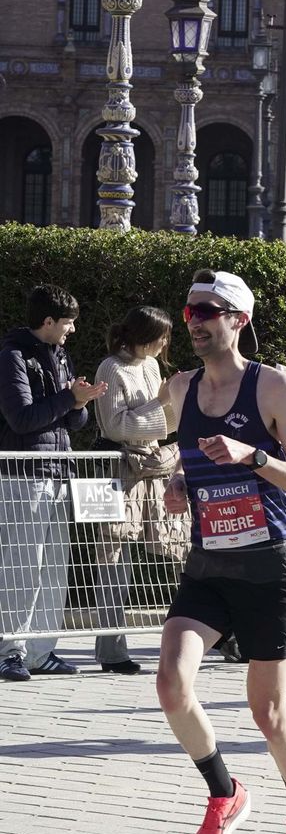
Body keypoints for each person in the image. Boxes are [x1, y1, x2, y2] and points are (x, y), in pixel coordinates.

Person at [153, 269, 286, 834]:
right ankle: (224, 795)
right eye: (190, 311)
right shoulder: (180, 388)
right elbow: (192, 466)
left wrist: (256, 456)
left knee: (268, 713)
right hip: (207, 566)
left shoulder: (273, 386)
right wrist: (179, 484)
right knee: (171, 685)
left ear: (239, 320)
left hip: (267, 568)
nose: (195, 321)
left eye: (208, 310)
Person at [0, 285, 109, 682]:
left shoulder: (58, 354)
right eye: (68, 322)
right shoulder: (12, 356)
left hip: (59, 471)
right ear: (48, 322)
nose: (73, 330)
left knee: (54, 567)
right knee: (22, 566)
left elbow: (72, 422)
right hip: (23, 474)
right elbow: (22, 419)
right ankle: (9, 650)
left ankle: (41, 652)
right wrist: (68, 400)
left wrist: (78, 403)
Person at [91, 305, 179, 675]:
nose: (164, 344)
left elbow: (151, 423)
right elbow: (115, 426)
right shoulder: (111, 367)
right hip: (118, 468)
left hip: (151, 467)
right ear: (145, 335)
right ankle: (111, 649)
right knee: (113, 553)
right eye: (161, 337)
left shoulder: (152, 366)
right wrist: (162, 404)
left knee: (176, 543)